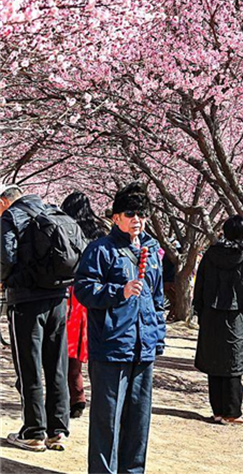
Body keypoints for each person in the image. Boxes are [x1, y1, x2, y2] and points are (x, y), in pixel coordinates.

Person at [74, 182, 166, 474]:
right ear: (116, 218)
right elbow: (84, 290)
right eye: (130, 213)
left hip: (144, 347)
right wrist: (119, 291)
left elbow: (158, 298)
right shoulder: (100, 249)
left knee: (139, 419)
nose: (137, 219)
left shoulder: (152, 250)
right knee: (107, 419)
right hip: (112, 346)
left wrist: (158, 336)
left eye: (141, 213)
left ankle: (133, 471)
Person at [2, 184, 78, 452]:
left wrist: (5, 281)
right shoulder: (52, 211)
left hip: (26, 301)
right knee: (56, 365)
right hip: (59, 298)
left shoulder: (11, 217)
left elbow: (5, 256)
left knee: (29, 366)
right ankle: (58, 430)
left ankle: (33, 431)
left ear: (4, 201)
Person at [193, 215, 243, 425]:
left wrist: (199, 311)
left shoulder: (210, 254)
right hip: (239, 317)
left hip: (211, 315)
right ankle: (232, 412)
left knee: (215, 362)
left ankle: (217, 411)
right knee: (234, 364)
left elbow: (200, 285)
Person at [61, 191, 110, 420]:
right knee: (91, 348)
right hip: (96, 297)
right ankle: (90, 397)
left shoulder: (64, 230)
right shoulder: (100, 234)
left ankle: (74, 396)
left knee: (68, 350)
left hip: (70, 295)